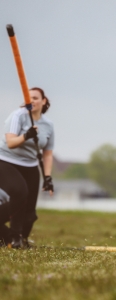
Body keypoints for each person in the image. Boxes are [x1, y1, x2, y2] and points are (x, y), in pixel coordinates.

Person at [0, 87, 54, 248]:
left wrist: (48, 177)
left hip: (30, 165)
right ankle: (14, 236)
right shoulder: (18, 116)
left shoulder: (48, 125)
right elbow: (10, 143)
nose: (32, 101)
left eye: (36, 98)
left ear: (43, 101)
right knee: (20, 192)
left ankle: (18, 240)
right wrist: (26, 136)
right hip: (6, 160)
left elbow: (47, 154)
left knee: (30, 213)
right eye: (29, 98)